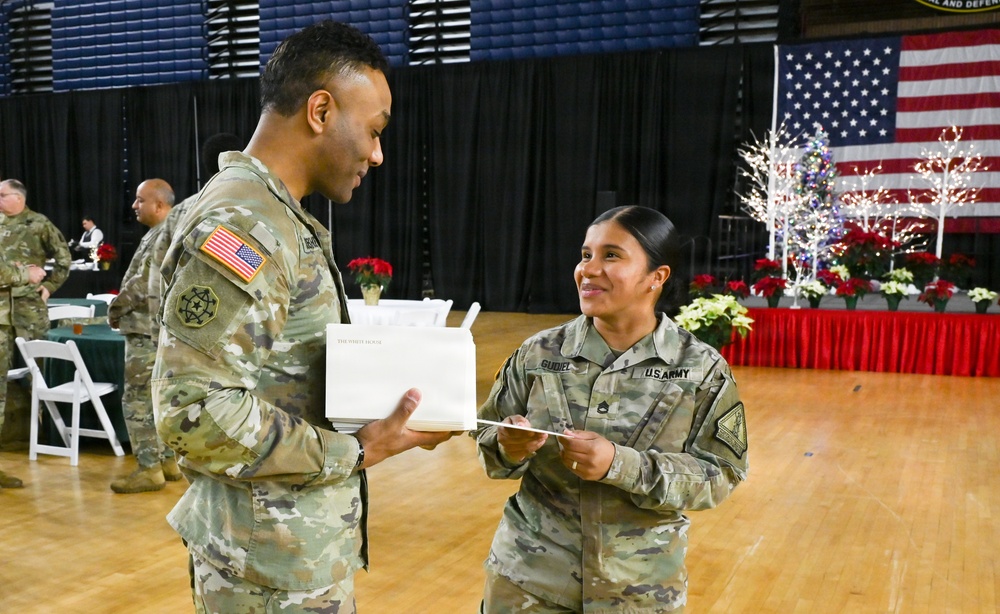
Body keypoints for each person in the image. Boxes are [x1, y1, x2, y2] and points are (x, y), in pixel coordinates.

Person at [152, 20, 454, 612]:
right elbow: (191, 409)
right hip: (268, 569)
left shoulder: (263, 211)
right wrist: (360, 451)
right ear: (320, 110)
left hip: (278, 553)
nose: (377, 153)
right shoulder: (249, 225)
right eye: (372, 131)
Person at [475, 206, 749, 613]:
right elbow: (487, 443)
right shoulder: (538, 353)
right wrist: (509, 444)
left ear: (657, 276)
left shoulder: (701, 368)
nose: (589, 269)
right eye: (586, 255)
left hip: (638, 591)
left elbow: (721, 474)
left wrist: (619, 465)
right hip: (528, 582)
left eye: (611, 256)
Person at [107, 179, 179, 494]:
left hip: (144, 330)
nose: (134, 206)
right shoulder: (174, 230)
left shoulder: (163, 233)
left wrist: (115, 308)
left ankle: (149, 468)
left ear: (159, 205)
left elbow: (141, 283)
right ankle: (167, 461)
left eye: (139, 200)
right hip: (161, 330)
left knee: (137, 400)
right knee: (159, 398)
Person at [0, 179, 72, 488]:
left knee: (39, 376)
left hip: (30, 310)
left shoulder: (38, 223)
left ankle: (44, 435)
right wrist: (22, 274)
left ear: (18, 198)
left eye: (2, 195)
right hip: (2, 313)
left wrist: (49, 286)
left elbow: (64, 257)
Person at [147, 132, 243, 342]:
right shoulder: (257, 206)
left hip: (184, 331)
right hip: (240, 338)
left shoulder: (181, 211)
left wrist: (158, 334)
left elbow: (159, 272)